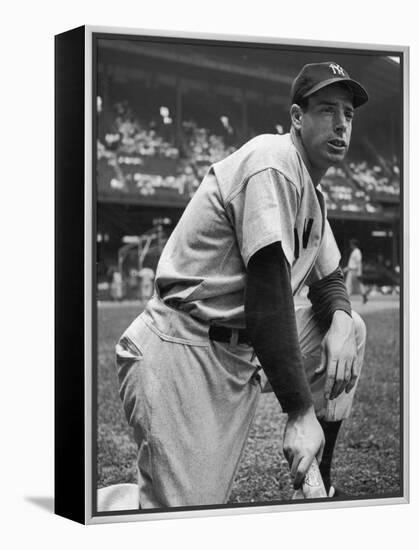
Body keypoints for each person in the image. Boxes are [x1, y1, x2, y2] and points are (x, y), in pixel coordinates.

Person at [115, 61, 368, 508]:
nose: (341, 124)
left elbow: (330, 280)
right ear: (296, 117)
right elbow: (268, 289)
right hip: (184, 350)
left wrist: (344, 321)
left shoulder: (312, 191)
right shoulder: (272, 161)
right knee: (178, 516)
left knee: (352, 331)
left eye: (348, 114)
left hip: (238, 352)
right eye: (328, 110)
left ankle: (317, 491)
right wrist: (299, 411)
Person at [344, 238, 368, 303]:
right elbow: (352, 263)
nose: (350, 245)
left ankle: (346, 299)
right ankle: (364, 295)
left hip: (354, 271)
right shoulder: (355, 251)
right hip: (352, 270)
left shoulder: (357, 251)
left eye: (351, 244)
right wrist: (347, 268)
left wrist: (359, 272)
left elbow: (358, 262)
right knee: (357, 285)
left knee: (349, 285)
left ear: (353, 244)